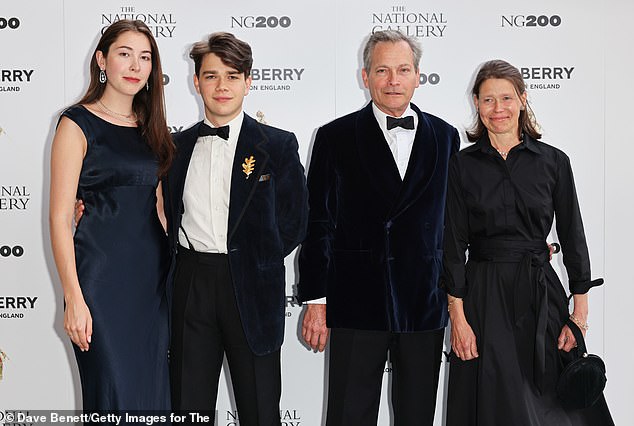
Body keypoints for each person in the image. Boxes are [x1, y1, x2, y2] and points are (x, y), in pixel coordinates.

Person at [298, 30, 459, 425]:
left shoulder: (446, 137)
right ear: (365, 76)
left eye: (403, 70)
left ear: (418, 76)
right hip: (355, 301)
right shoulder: (334, 136)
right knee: (349, 416)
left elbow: (456, 226)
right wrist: (316, 300)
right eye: (382, 70)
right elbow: (318, 221)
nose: (393, 80)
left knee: (417, 416)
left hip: (424, 301)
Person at [441, 59, 614, 425]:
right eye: (488, 100)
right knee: (498, 404)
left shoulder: (553, 162)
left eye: (506, 98)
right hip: (484, 298)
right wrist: (458, 318)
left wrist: (578, 317)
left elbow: (573, 236)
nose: (498, 109)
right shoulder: (461, 166)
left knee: (553, 404)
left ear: (522, 99)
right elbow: (452, 246)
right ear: (476, 103)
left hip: (541, 296)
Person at [163, 32, 308, 424]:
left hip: (252, 288)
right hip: (191, 284)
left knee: (260, 410)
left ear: (248, 81)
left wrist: (257, 258)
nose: (221, 86)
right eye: (211, 76)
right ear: (196, 83)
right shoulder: (174, 149)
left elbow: (295, 221)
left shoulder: (277, 145)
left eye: (231, 76)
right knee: (188, 409)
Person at [49, 19, 174, 411]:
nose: (136, 66)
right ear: (102, 60)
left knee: (152, 401)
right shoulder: (76, 123)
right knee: (113, 398)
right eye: (125, 54)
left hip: (152, 286)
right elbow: (58, 217)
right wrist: (73, 297)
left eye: (145, 57)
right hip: (100, 285)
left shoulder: (151, 128)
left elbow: (160, 209)